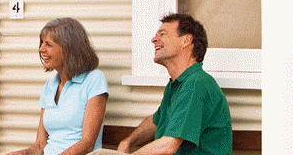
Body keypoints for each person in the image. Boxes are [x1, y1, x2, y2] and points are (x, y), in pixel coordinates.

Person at [90, 14, 231, 155]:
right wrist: (127, 142)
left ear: (186, 40)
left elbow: (169, 146)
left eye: (162, 34)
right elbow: (155, 121)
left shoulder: (197, 83)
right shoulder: (177, 84)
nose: (154, 39)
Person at [6, 18, 108, 155]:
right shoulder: (49, 87)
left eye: (48, 44)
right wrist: (23, 152)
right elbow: (40, 145)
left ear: (68, 49)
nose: (41, 49)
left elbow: (88, 143)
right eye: (42, 43)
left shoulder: (94, 79)